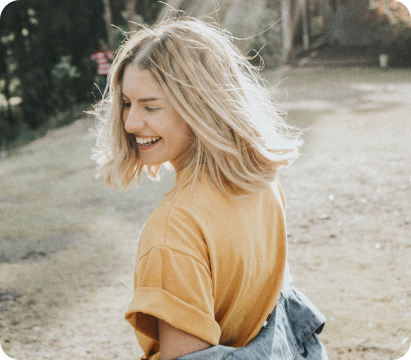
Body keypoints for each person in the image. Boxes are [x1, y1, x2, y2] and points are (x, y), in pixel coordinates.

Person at [92, 17, 327, 360]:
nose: (130, 122)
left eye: (150, 106)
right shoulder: (259, 181)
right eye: (127, 103)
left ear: (199, 105)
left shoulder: (174, 230)